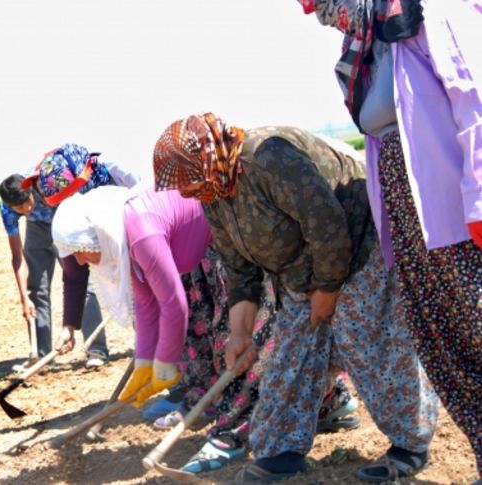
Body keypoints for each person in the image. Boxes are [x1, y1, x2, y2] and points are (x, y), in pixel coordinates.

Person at [153, 113, 438, 482]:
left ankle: (409, 445)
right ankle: (281, 453)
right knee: (288, 359)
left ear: (208, 157)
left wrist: (328, 291)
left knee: (368, 343)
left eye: (190, 180)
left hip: (357, 245)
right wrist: (239, 334)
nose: (188, 192)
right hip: (298, 273)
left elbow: (328, 225)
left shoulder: (268, 158)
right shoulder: (215, 194)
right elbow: (240, 270)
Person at [295, 1, 482, 478]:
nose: (326, 14)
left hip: (456, 214)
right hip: (409, 213)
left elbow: (472, 99)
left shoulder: (423, 14)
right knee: (442, 338)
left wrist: (478, 200)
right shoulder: (368, 44)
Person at [51, 186, 358, 474]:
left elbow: (174, 305)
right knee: (229, 338)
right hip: (215, 250)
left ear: (97, 235)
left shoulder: (140, 235)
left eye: (79, 249)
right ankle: (329, 402)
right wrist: (145, 364)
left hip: (235, 245)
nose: (79, 260)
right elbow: (147, 308)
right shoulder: (125, 243)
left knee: (237, 340)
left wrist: (165, 364)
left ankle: (233, 435)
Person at [0, 143, 139, 371]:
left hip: (81, 220)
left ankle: (99, 351)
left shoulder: (56, 182)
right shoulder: (17, 204)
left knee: (94, 279)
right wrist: (27, 298)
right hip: (47, 228)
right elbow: (23, 258)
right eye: (19, 209)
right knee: (38, 288)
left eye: (28, 204)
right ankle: (44, 355)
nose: (26, 210)